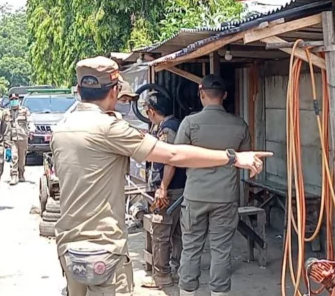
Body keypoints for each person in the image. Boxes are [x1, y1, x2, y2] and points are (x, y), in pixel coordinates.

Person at [51, 56, 270, 296]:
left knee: (191, 247)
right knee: (219, 248)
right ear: (114, 90)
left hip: (68, 245)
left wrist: (163, 186)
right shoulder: (110, 128)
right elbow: (173, 155)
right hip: (104, 248)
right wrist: (233, 157)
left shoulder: (62, 127)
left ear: (80, 89)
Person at [176, 74, 252, 296]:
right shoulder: (239, 124)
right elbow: (244, 160)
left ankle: (187, 291)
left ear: (201, 94)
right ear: (225, 96)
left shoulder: (189, 123)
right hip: (226, 197)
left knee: (191, 248)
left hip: (195, 195)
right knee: (221, 251)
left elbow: (177, 156)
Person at [143, 91, 185, 290]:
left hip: (170, 190)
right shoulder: (171, 125)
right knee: (177, 232)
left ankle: (162, 276)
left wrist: (162, 188)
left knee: (161, 232)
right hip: (178, 188)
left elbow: (170, 161)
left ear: (151, 111)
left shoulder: (168, 129)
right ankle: (177, 270)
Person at [8, 93, 33, 185]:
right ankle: (13, 175)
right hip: (12, 138)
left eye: (15, 99)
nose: (14, 101)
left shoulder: (24, 110)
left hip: (23, 137)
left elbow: (30, 121)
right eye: (12, 99)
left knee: (22, 157)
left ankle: (21, 173)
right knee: (14, 157)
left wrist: (31, 130)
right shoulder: (7, 112)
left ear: (18, 100)